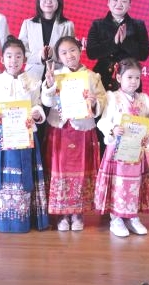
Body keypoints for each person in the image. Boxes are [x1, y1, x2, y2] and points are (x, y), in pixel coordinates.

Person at [0, 36, 49, 232]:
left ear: (24, 59)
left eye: (18, 56)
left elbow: (38, 104)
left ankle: (25, 218)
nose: (13, 60)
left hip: (26, 137)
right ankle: (2, 218)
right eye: (9, 56)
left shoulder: (33, 82)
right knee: (2, 176)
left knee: (25, 175)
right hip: (2, 137)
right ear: (2, 59)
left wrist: (37, 113)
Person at [41, 35, 106, 231]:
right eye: (63, 52)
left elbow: (102, 100)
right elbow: (47, 102)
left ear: (80, 50)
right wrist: (50, 85)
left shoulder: (92, 76)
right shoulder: (56, 75)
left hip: (83, 130)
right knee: (60, 171)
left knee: (81, 171)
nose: (69, 55)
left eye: (72, 50)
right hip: (60, 129)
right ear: (59, 57)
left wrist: (95, 102)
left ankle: (78, 213)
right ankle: (62, 214)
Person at [94, 58, 149, 237]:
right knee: (118, 183)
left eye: (137, 78)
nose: (134, 81)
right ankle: (116, 218)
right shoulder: (113, 97)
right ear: (119, 78)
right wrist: (113, 129)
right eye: (129, 77)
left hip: (136, 151)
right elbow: (103, 121)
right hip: (117, 150)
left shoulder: (144, 99)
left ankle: (132, 215)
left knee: (134, 183)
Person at [86, 0, 149, 90]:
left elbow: (143, 55)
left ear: (129, 5)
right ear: (108, 2)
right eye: (115, 0)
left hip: (130, 79)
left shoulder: (138, 25)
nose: (119, 4)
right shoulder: (97, 24)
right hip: (102, 78)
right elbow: (91, 53)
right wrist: (114, 43)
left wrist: (125, 41)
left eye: (124, 1)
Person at [18, 0, 75, 79]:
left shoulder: (68, 25)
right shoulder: (28, 24)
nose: (48, 1)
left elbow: (71, 55)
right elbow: (21, 53)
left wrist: (53, 55)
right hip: (32, 76)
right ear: (39, 0)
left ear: (59, 1)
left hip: (59, 75)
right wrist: (40, 56)